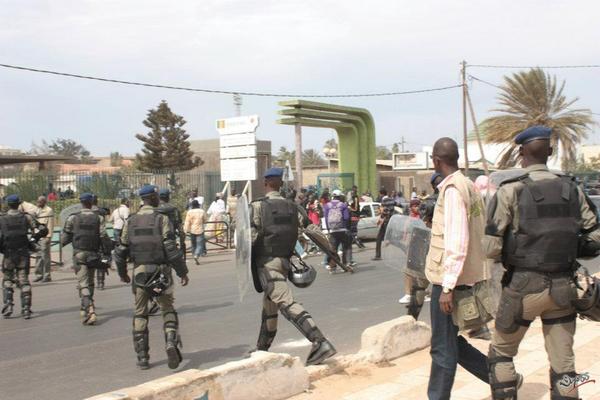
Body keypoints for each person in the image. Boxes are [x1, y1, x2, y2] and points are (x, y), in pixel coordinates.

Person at [484, 126, 600, 400]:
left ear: (521, 152)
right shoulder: (572, 188)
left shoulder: (509, 190)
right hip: (564, 288)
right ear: (550, 151)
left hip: (523, 287)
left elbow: (490, 247)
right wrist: (570, 247)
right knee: (565, 367)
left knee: (501, 355)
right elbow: (595, 236)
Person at [250, 167, 336, 365]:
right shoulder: (293, 207)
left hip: (268, 264)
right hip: (285, 263)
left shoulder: (256, 207)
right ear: (281, 183)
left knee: (286, 303)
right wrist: (330, 251)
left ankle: (319, 342)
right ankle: (261, 350)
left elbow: (250, 239)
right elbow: (313, 230)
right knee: (270, 307)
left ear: (265, 183)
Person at [425, 138, 490, 399]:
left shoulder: (452, 190)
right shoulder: (468, 185)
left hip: (449, 282)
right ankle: (500, 377)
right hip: (463, 278)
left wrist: (447, 287)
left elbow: (457, 241)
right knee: (452, 343)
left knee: (442, 348)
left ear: (436, 160)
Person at [114, 185, 189, 370]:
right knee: (168, 309)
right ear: (154, 197)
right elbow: (170, 248)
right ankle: (171, 343)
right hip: (161, 273)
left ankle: (142, 358)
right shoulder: (161, 219)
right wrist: (182, 271)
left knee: (140, 313)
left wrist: (122, 273)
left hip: (139, 273)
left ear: (142, 199)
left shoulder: (130, 221)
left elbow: (121, 250)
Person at [61, 193, 112, 325]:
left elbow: (65, 238)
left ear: (81, 203)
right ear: (91, 203)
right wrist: (107, 252)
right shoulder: (98, 218)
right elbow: (103, 236)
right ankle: (86, 306)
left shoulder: (72, 218)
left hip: (79, 254)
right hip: (93, 254)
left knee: (83, 283)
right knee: (90, 282)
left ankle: (90, 310)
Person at [1, 195, 45, 319]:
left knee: (7, 280)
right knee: (24, 281)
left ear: (8, 204)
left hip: (8, 254)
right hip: (23, 254)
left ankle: (8, 304)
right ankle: (26, 309)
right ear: (19, 204)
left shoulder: (2, 219)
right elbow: (43, 229)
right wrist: (32, 240)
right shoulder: (26, 217)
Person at [324, 189, 352, 272]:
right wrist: (347, 228)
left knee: (333, 249)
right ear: (340, 196)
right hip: (342, 230)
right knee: (346, 247)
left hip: (332, 230)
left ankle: (332, 267)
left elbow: (326, 218)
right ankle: (346, 264)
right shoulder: (343, 205)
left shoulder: (327, 205)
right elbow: (346, 218)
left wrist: (329, 229)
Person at [157, 189, 185, 258]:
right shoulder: (174, 209)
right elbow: (180, 230)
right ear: (168, 197)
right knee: (180, 267)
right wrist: (182, 244)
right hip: (170, 242)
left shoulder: (153, 209)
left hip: (155, 242)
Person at [33, 196, 54, 283]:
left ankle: (47, 275)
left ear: (44, 202)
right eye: (37, 201)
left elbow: (50, 224)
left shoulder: (49, 210)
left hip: (45, 237)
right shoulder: (36, 210)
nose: (38, 203)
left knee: (45, 257)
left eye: (39, 201)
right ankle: (39, 275)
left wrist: (48, 236)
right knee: (38, 256)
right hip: (37, 236)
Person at [91, 195, 110, 290]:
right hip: (100, 241)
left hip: (88, 242)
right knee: (103, 260)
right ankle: (100, 283)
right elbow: (102, 231)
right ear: (97, 201)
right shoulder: (101, 212)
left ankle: (88, 283)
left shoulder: (84, 213)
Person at [372, 189, 396, 261]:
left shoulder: (384, 201)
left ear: (381, 194)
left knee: (381, 238)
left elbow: (384, 212)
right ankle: (377, 255)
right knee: (385, 238)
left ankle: (378, 255)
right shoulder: (391, 199)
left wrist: (380, 220)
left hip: (385, 221)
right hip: (390, 220)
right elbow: (398, 205)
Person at [184, 200, 207, 264]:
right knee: (199, 244)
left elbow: (187, 222)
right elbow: (205, 220)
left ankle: (194, 254)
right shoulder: (202, 211)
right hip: (200, 229)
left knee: (193, 244)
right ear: (198, 205)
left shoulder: (189, 212)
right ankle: (196, 255)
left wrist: (185, 230)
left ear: (192, 205)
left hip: (192, 230)